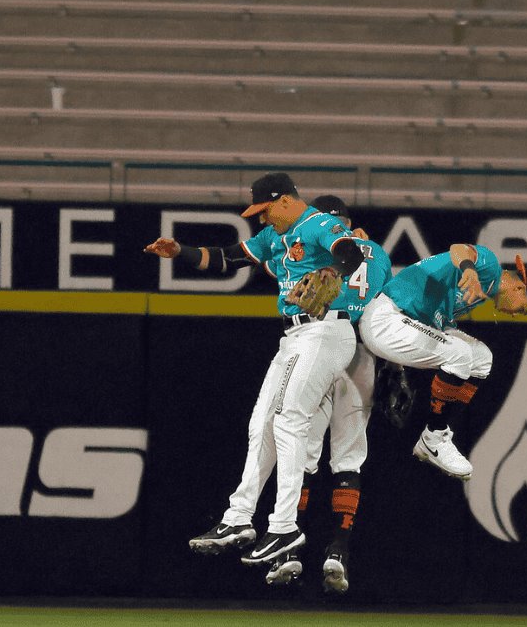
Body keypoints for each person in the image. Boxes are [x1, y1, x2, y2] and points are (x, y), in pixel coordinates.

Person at [144, 174, 366, 567]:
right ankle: (239, 518)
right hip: (295, 336)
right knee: (260, 424)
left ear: (283, 201)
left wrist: (332, 272)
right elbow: (227, 257)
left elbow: (350, 252)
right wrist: (180, 251)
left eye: (264, 211)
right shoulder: (273, 238)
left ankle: (284, 526)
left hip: (326, 330)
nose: (262, 220)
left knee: (289, 422)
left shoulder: (316, 223)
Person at [263, 196, 391, 593]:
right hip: (361, 353)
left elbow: (276, 266)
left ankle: (288, 552)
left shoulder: (303, 245)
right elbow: (391, 311)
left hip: (317, 346)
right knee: (349, 457)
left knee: (301, 453)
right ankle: (338, 550)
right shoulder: (378, 255)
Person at [358, 245, 527, 481]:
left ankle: (436, 437)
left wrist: (393, 364)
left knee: (482, 358)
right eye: (521, 309)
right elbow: (459, 249)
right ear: (520, 287)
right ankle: (434, 435)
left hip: (402, 323)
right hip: (386, 318)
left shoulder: (483, 291)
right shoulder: (489, 267)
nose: (514, 314)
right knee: (459, 353)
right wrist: (469, 270)